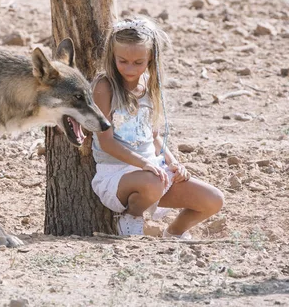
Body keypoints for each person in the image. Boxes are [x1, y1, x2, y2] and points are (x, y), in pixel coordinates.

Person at [91, 17, 224, 238]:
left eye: (138, 62)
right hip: (116, 174)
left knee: (213, 199)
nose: (130, 68)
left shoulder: (149, 84)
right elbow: (106, 142)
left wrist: (173, 163)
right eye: (122, 61)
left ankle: (174, 232)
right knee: (153, 181)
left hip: (153, 170)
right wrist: (145, 164)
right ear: (111, 56)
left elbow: (152, 134)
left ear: (151, 58)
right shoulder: (105, 87)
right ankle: (131, 217)